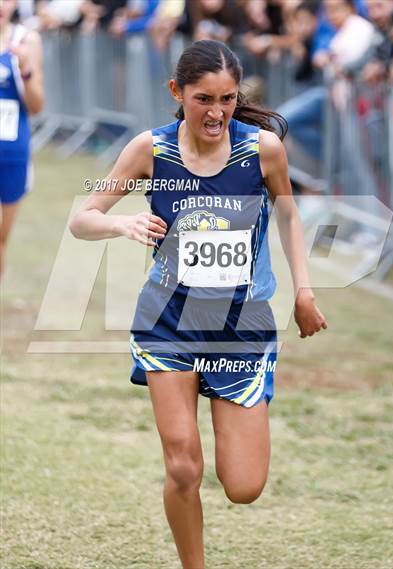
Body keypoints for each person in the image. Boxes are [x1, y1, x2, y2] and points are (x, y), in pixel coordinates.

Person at [70, 39, 327, 569]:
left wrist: (303, 290)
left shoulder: (261, 150)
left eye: (228, 99)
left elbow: (290, 216)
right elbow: (84, 213)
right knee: (184, 468)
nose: (217, 112)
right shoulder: (149, 151)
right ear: (177, 92)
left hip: (241, 327)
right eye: (203, 99)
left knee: (244, 487)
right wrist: (122, 221)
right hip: (167, 323)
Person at [0, 0, 44, 277]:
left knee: (1, 240)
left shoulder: (26, 40)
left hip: (13, 151)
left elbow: (37, 105)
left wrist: (25, 69)